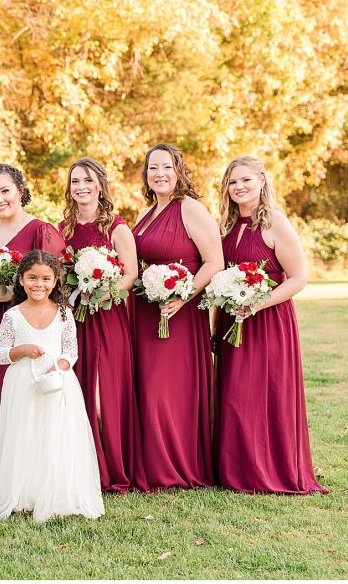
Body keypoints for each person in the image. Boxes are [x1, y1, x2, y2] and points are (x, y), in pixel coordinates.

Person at [213, 156, 328, 495]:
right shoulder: (227, 225)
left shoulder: (275, 223)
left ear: (262, 181)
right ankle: (234, 470)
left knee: (260, 394)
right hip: (232, 321)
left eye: (246, 180)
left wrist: (257, 303)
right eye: (233, 182)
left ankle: (266, 470)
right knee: (232, 394)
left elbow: (298, 278)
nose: (239, 187)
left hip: (268, 322)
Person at [130, 143, 222, 491]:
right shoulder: (144, 214)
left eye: (166, 167)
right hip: (144, 312)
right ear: (146, 175)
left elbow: (214, 262)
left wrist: (183, 296)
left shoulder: (192, 210)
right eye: (153, 168)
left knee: (168, 391)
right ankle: (150, 464)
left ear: (178, 170)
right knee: (146, 387)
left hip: (179, 315)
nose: (160, 174)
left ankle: (176, 465)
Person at [0, 250, 103, 521]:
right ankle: (25, 493)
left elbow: (71, 351)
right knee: (26, 433)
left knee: (56, 435)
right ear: (20, 280)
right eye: (31, 278)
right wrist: (23, 349)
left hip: (58, 383)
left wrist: (59, 367)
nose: (38, 284)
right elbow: (0, 354)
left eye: (45, 279)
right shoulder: (12, 316)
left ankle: (57, 492)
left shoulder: (64, 313)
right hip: (22, 384)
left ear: (55, 282)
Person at [0, 164, 65, 477]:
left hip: (30, 327)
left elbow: (52, 285)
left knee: (27, 397)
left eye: (5, 191)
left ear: (21, 192)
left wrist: (12, 289)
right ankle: (3, 473)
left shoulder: (41, 231)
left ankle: (34, 474)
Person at [58, 157, 138, 493]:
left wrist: (104, 291)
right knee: (79, 388)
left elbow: (131, 273)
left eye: (88, 181)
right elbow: (59, 272)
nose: (82, 187)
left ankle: (113, 466)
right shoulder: (63, 228)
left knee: (106, 390)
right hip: (75, 319)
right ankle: (84, 465)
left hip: (108, 316)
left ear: (100, 185)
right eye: (75, 181)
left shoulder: (116, 227)